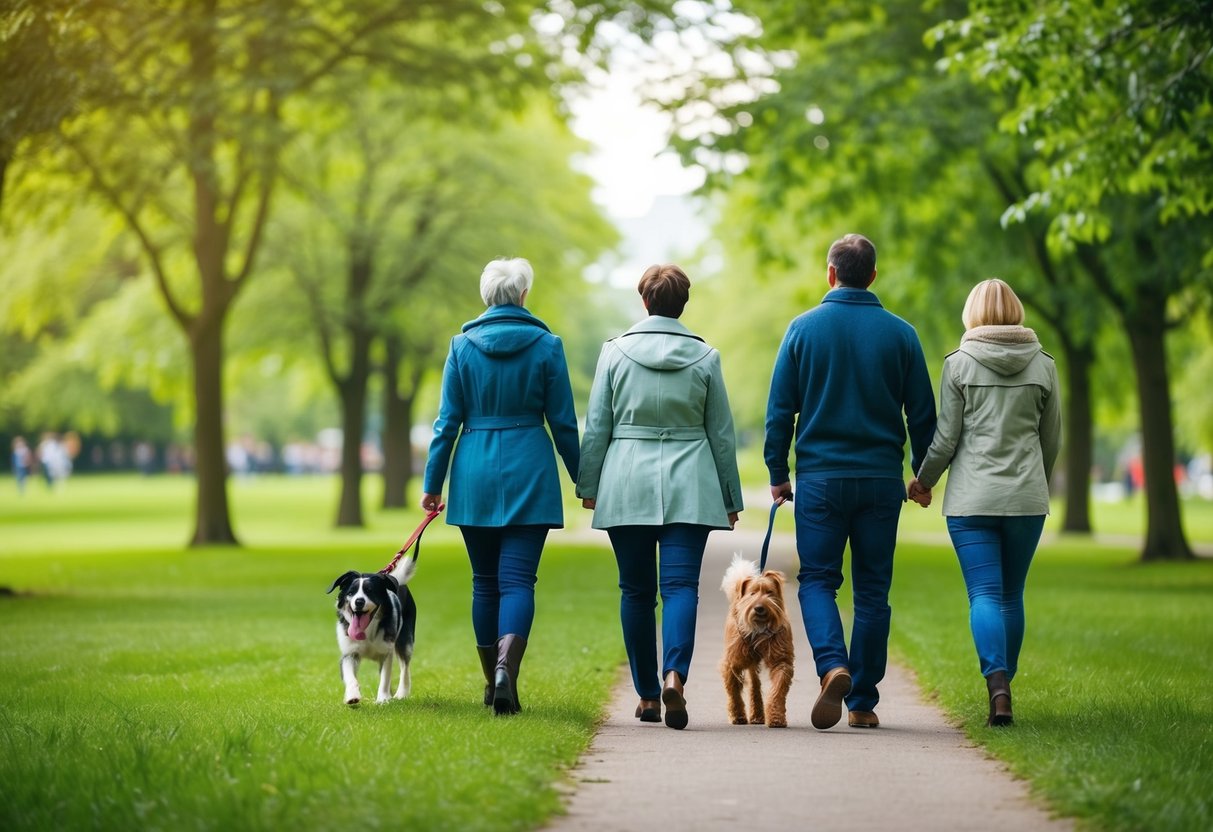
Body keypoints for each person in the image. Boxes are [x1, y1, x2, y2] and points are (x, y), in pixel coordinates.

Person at [764, 233, 936, 730]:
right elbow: (922, 415)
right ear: (874, 276)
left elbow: (780, 411)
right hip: (881, 481)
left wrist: (778, 473)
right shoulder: (902, 334)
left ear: (831, 273)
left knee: (817, 580)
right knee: (873, 591)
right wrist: (922, 476)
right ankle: (862, 701)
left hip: (820, 480)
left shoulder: (802, 330)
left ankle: (832, 666)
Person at [577, 264, 743, 730]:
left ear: (644, 301)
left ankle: (649, 695)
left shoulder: (614, 353)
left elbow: (598, 427)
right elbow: (722, 436)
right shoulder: (706, 357)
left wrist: (589, 486)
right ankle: (675, 675)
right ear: (682, 304)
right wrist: (730, 496)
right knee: (679, 588)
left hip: (627, 480)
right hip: (690, 481)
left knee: (635, 591)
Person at [421, 257, 580, 716]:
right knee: (518, 581)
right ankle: (507, 669)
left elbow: (446, 422)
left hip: (474, 472)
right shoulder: (548, 346)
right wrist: (583, 479)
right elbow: (564, 424)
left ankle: (492, 681)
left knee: (484, 583)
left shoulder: (461, 346)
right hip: (530, 466)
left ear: (486, 296)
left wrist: (433, 483)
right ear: (523, 295)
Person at [908, 278, 1060, 727]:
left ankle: (998, 686)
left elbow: (946, 439)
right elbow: (1051, 440)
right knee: (1011, 595)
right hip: (1026, 500)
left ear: (971, 313)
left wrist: (922, 481)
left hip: (971, 500)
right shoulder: (1045, 366)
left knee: (985, 594)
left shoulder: (958, 365)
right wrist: (1037, 484)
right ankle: (1003, 690)